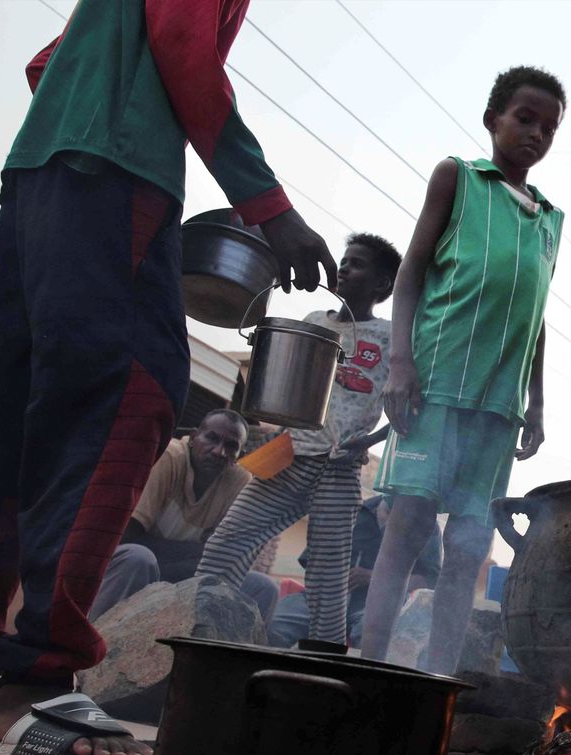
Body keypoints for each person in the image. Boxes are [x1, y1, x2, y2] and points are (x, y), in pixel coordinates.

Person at [0, 0, 337, 755]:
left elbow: (50, 62)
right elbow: (182, 45)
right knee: (127, 400)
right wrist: (269, 208)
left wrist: (99, 109)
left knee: (6, 414)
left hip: (39, 178)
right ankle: (36, 683)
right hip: (117, 179)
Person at [359, 66, 563, 676]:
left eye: (549, 127)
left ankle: (438, 680)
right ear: (492, 120)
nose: (536, 133)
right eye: (525, 118)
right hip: (436, 383)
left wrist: (537, 400)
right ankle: (368, 668)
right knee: (408, 525)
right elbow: (411, 273)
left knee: (470, 544)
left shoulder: (550, 219)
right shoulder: (458, 178)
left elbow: (536, 313)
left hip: (500, 405)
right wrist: (400, 363)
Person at [194, 234, 401, 646]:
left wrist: (369, 441)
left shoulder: (390, 336)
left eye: (357, 264)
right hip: (289, 454)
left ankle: (324, 653)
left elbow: (406, 404)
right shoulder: (315, 321)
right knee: (228, 540)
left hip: (340, 467)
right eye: (345, 261)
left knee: (328, 575)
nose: (345, 269)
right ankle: (203, 625)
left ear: (382, 284)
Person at [85, 409, 279, 623]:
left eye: (231, 446)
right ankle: (93, 636)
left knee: (262, 587)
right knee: (139, 558)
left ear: (240, 455)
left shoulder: (239, 480)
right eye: (212, 438)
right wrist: (200, 553)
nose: (219, 451)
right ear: (194, 437)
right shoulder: (169, 456)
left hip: (186, 575)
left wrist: (201, 558)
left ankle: (213, 645)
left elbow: (229, 559)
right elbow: (127, 538)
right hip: (130, 566)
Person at [268, 495, 441, 648]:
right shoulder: (352, 509)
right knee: (275, 626)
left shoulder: (426, 524)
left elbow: (429, 581)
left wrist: (374, 577)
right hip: (321, 596)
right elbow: (311, 560)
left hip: (378, 605)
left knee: (374, 638)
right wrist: (332, 575)